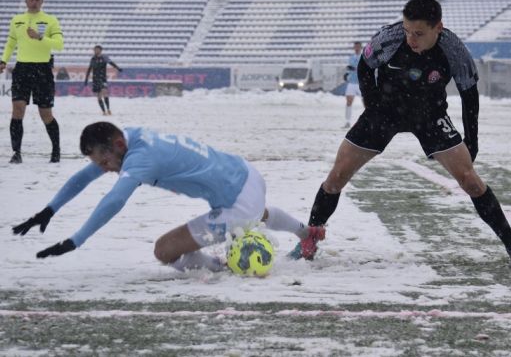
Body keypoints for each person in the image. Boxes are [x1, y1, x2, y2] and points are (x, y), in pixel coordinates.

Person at [292, 0, 511, 270]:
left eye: (419, 33)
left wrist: (472, 140)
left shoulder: (454, 50)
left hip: (430, 115)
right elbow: (365, 65)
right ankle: (310, 239)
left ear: (439, 28)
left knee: (471, 181)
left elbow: (469, 94)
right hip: (385, 112)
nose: (411, 38)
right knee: (336, 177)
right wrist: (372, 104)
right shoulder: (390, 38)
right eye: (408, 30)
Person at [12, 122, 325, 272]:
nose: (105, 170)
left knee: (164, 251)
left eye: (105, 163)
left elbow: (114, 200)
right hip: (247, 174)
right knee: (257, 211)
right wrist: (49, 210)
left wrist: (76, 240)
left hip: (238, 206)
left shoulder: (140, 161)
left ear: (118, 145)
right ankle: (305, 232)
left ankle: (220, 267)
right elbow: (84, 176)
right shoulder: (132, 137)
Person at [0, 0, 64, 164]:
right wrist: (3, 60)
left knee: (46, 114)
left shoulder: (50, 20)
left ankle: (56, 150)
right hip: (22, 69)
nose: (34, 2)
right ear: (26, 0)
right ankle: (17, 152)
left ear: (42, 1)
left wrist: (40, 37)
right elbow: (11, 43)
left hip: (42, 70)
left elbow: (59, 45)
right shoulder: (17, 20)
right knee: (18, 109)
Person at [84, 45, 122, 116]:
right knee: (99, 96)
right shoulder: (93, 59)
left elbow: (111, 63)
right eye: (94, 50)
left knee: (105, 92)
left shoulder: (104, 57)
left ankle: (108, 109)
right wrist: (86, 79)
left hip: (103, 78)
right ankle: (103, 111)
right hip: (95, 79)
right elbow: (89, 69)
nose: (95, 51)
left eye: (97, 50)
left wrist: (117, 68)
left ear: (100, 50)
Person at [343, 41, 363, 128]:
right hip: (351, 83)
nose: (356, 48)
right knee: (348, 102)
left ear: (360, 47)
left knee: (366, 103)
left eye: (358, 47)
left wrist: (354, 68)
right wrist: (347, 74)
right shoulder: (351, 58)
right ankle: (347, 121)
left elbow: (363, 68)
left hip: (361, 83)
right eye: (355, 47)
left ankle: (368, 122)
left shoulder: (363, 57)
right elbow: (349, 68)